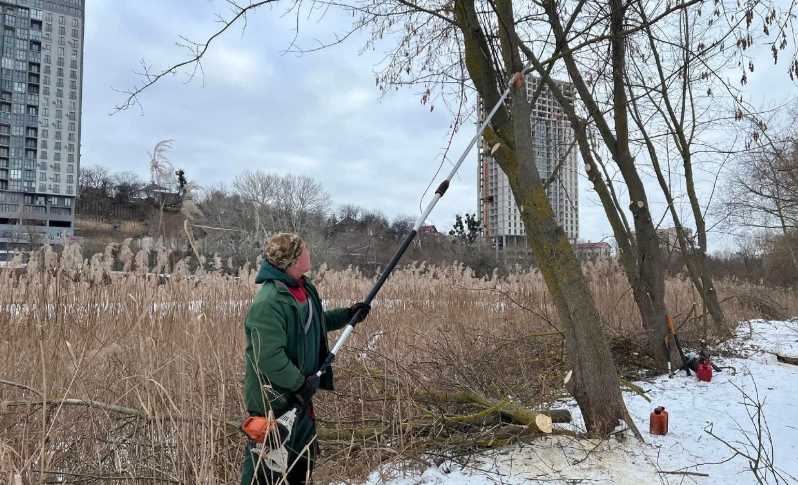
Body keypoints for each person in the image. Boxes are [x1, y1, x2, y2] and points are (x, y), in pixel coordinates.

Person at [240, 233, 370, 485]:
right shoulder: (269, 302)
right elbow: (268, 357)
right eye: (305, 250)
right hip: (274, 403)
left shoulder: (302, 288)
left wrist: (348, 315)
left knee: (301, 466)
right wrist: (300, 383)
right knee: (265, 474)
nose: (310, 253)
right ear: (292, 260)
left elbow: (313, 322)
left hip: (300, 398)